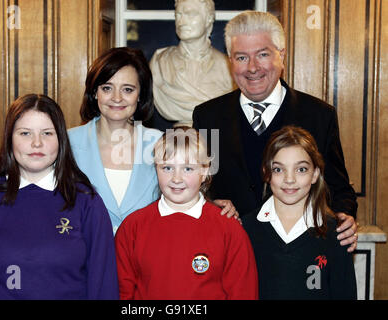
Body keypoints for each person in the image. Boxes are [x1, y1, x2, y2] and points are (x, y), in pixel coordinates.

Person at [0, 47, 238, 235]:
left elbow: (184, 189)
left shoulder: (161, 144)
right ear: (94, 93)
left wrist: (214, 204)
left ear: (141, 96)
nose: (117, 98)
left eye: (128, 89)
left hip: (146, 267)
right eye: (107, 88)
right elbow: (28, 179)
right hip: (81, 266)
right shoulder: (64, 142)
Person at [192, 10, 359, 251]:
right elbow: (198, 187)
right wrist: (208, 203)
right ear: (230, 61)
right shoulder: (207, 116)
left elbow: (339, 189)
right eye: (241, 57)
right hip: (228, 253)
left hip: (298, 255)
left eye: (262, 54)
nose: (252, 68)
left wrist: (345, 218)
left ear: (281, 55)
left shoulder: (319, 115)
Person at [0, 94, 118, 300]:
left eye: (47, 133)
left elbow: (104, 287)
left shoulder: (87, 202)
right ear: (10, 139)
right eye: (25, 133)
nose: (37, 143)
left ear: (61, 140)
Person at [115, 127, 258, 299]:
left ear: (205, 171)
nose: (176, 178)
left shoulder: (229, 229)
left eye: (188, 169)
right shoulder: (133, 227)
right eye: (167, 168)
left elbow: (243, 292)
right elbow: (121, 291)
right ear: (156, 168)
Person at [242, 125, 357, 299]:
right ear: (266, 173)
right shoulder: (246, 229)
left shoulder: (337, 234)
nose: (290, 179)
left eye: (301, 169)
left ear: (315, 174)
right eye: (278, 169)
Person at [149, 0, 235, 127]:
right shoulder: (159, 62)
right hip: (178, 137)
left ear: (209, 19)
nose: (181, 21)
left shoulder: (228, 66)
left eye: (191, 14)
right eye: (178, 15)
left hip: (214, 139)